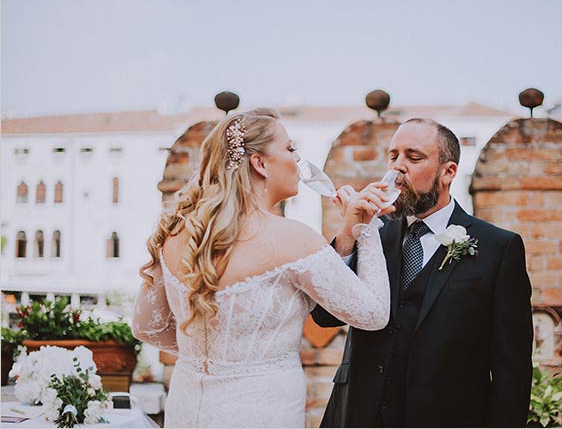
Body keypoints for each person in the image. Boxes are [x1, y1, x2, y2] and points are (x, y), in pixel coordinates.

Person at [132, 108, 392, 428]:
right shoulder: (292, 237)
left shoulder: (176, 233)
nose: (298, 160)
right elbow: (374, 314)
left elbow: (146, 327)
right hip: (263, 411)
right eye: (290, 148)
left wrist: (211, 356)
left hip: (188, 409)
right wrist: (367, 227)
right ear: (260, 163)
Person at [312, 118, 534, 428]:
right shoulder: (371, 235)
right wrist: (349, 231)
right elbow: (324, 316)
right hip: (359, 416)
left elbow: (513, 368)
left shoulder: (498, 248)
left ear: (448, 172)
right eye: (393, 156)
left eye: (413, 158)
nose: (398, 167)